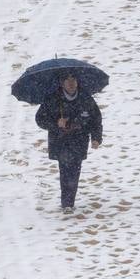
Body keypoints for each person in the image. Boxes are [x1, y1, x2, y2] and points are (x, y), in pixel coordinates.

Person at [35, 72, 103, 212]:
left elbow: (95, 119)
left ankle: (68, 201)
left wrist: (96, 138)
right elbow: (40, 119)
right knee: (65, 170)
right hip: (60, 141)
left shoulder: (86, 98)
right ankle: (67, 203)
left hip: (79, 140)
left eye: (74, 80)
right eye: (67, 80)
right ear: (62, 83)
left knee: (74, 170)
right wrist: (56, 123)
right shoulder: (53, 99)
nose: (71, 83)